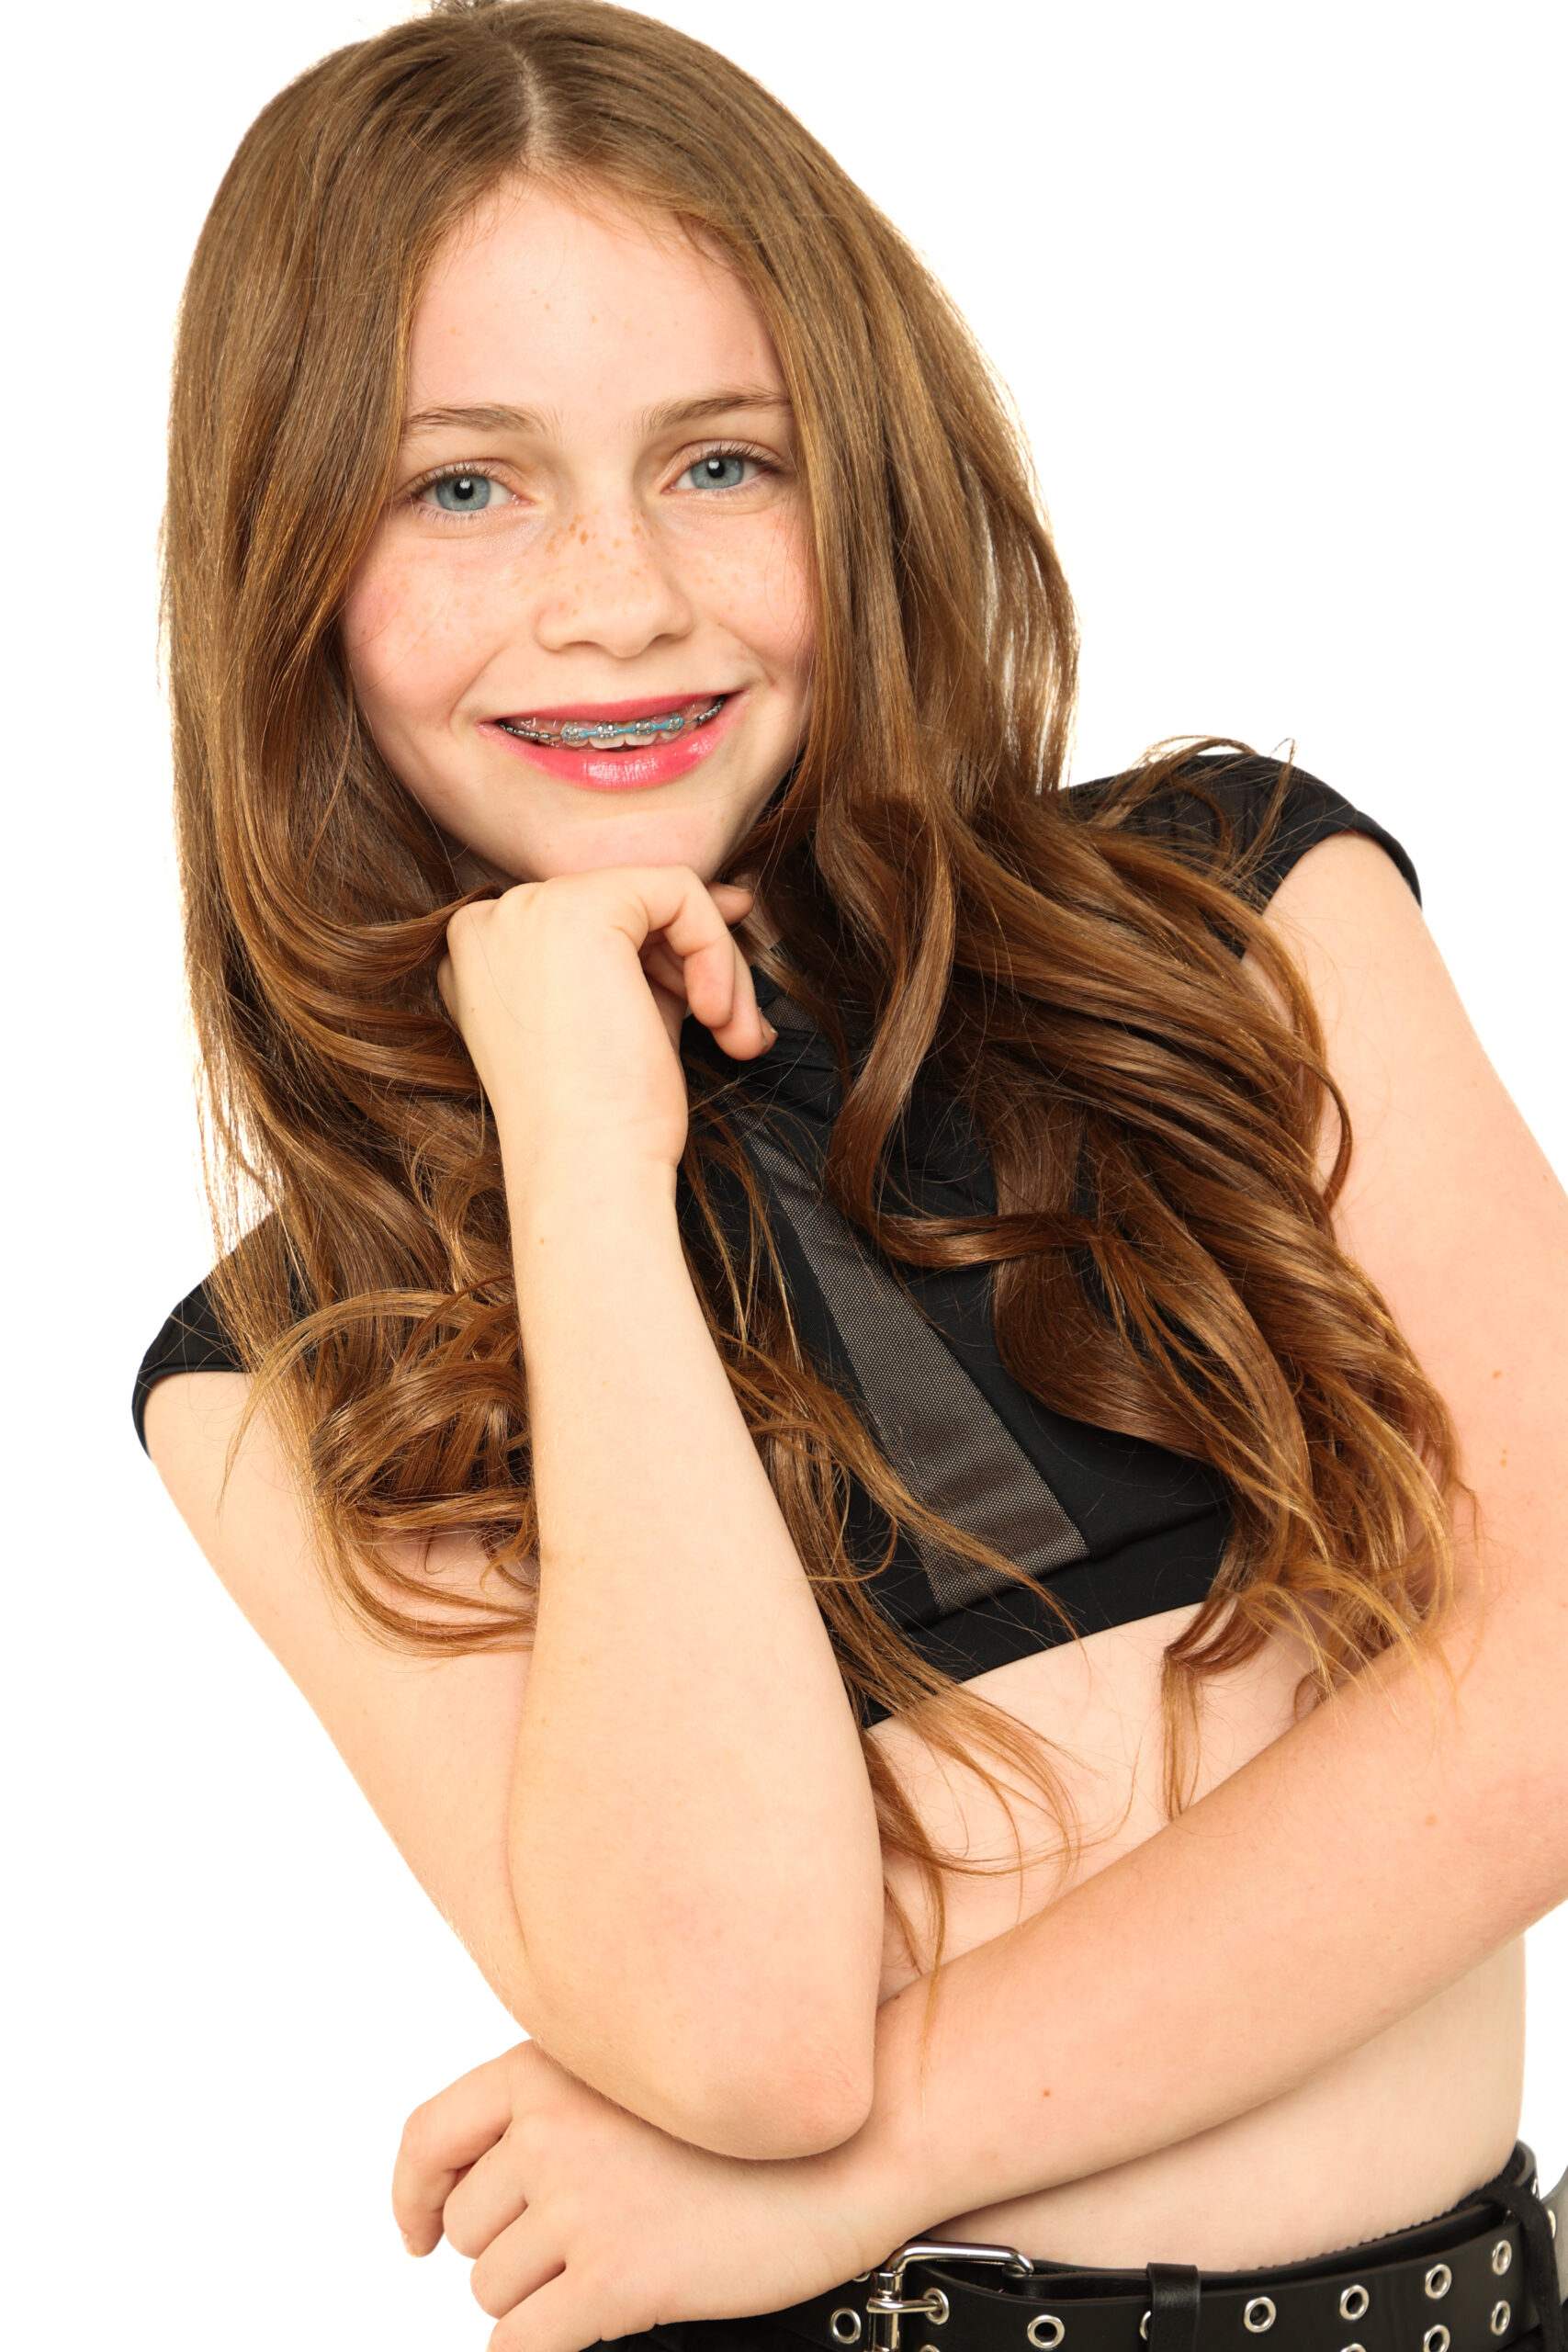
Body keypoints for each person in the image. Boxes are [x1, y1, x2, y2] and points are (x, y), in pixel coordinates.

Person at [134, 4, 1568, 2350]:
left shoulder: (1226, 914)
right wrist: (578, 1155)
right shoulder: (294, 1355)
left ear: (868, 473)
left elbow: (1542, 1694)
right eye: (463, 489)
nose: (616, 593)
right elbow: (742, 2026)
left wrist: (874, 2161)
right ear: (286, 562)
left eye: (721, 462)